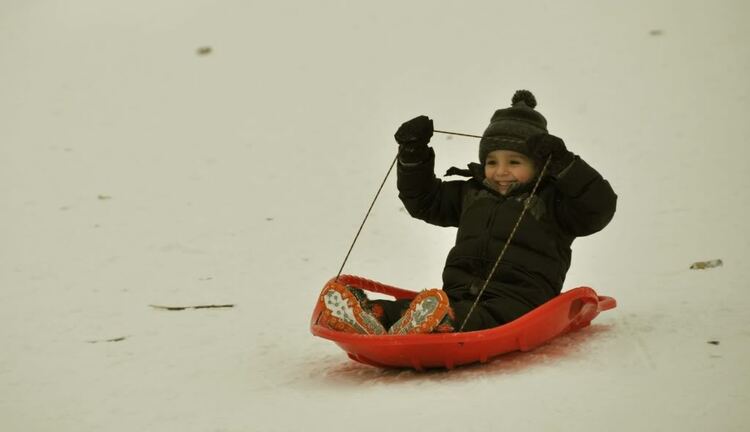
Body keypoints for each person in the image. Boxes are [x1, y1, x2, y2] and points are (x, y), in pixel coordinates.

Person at [318, 90, 617, 335]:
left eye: (514, 162)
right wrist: (413, 154)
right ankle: (372, 315)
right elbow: (423, 200)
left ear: (539, 166)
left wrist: (567, 166)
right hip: (459, 293)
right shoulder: (471, 193)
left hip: (522, 302)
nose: (501, 171)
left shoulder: (553, 203)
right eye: (491, 162)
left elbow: (599, 207)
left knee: (478, 315)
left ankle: (441, 322)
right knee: (424, 306)